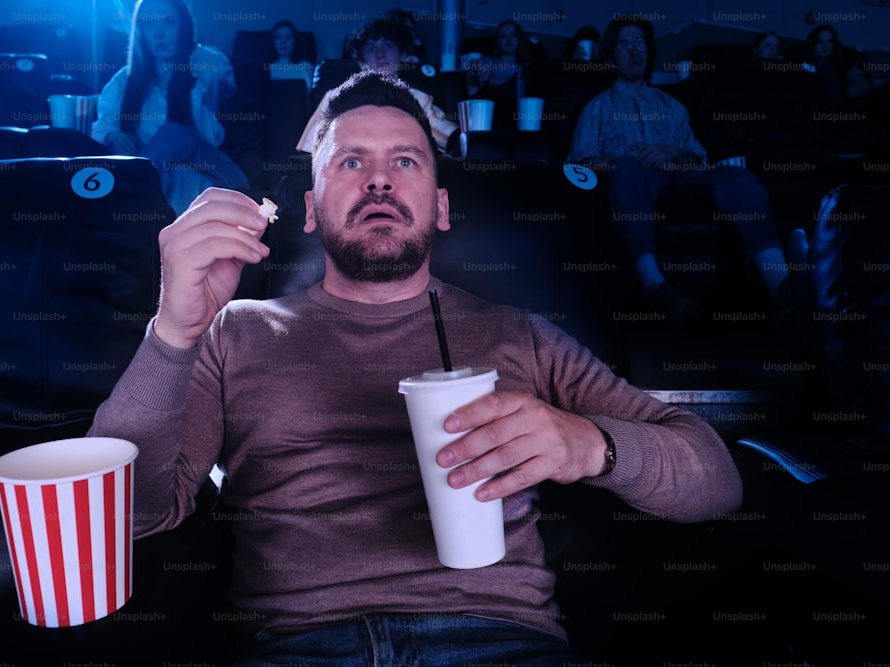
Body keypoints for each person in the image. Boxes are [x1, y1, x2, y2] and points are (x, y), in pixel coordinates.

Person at [88, 70, 743, 665]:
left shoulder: (522, 335)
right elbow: (126, 517)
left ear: (442, 206)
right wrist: (173, 329)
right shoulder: (236, 329)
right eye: (350, 161)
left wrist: (587, 444)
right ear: (311, 210)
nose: (379, 180)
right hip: (296, 649)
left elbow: (717, 478)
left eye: (405, 160)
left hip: (502, 644)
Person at [567, 16, 792, 328]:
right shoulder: (598, 107)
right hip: (633, 179)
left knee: (737, 177)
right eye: (624, 44)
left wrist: (672, 151)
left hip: (680, 175)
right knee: (628, 166)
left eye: (640, 43)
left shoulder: (671, 105)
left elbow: (699, 158)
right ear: (611, 55)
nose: (634, 51)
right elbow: (578, 163)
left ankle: (782, 287)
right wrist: (621, 160)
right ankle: (654, 285)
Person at [91, 0, 249, 215]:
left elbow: (222, 76)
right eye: (149, 24)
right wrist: (112, 136)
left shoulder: (203, 67)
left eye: (169, 22)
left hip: (214, 165)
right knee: (182, 179)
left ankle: (127, 187)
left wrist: (188, 48)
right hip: (173, 175)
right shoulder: (124, 82)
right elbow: (101, 127)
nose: (159, 33)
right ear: (140, 30)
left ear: (183, 27)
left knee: (172, 132)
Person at [297, 18, 460, 155]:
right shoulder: (335, 99)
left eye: (388, 46)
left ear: (402, 55)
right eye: (371, 48)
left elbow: (454, 141)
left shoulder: (420, 99)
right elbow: (307, 155)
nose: (380, 54)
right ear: (361, 62)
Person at [800, 24, 872, 106]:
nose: (825, 46)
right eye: (820, 41)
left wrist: (842, 93)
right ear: (812, 44)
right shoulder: (803, 64)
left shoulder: (844, 63)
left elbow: (863, 86)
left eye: (829, 42)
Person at [466, 20, 533, 99]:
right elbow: (478, 67)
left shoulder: (527, 68)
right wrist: (475, 66)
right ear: (497, 42)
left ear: (519, 39)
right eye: (503, 36)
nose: (509, 39)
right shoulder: (490, 62)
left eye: (513, 35)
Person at [267, 19, 313, 95]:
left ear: (295, 41)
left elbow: (308, 96)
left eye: (288, 37)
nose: (283, 42)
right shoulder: (267, 68)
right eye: (279, 37)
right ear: (273, 41)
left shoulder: (305, 66)